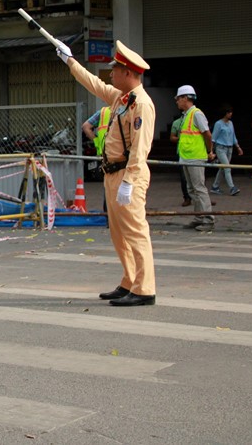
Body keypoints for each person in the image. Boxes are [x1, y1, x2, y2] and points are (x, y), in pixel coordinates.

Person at [55, 39, 156, 307]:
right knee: (118, 232)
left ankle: (145, 289)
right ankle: (129, 281)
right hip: (112, 174)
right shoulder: (122, 99)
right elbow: (94, 84)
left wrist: (129, 182)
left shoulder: (141, 104)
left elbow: (140, 148)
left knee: (135, 231)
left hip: (128, 175)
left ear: (128, 73)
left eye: (115, 70)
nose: (110, 74)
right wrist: (70, 60)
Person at [175, 85, 216, 231]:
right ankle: (199, 217)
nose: (177, 101)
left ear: (185, 98)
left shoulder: (196, 114)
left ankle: (208, 219)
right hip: (187, 157)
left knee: (199, 189)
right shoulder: (186, 115)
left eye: (178, 98)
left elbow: (207, 134)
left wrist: (210, 151)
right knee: (192, 190)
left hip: (195, 157)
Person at [210, 104, 243, 196]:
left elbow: (233, 136)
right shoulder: (218, 124)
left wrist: (238, 147)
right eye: (229, 112)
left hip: (230, 148)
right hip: (221, 148)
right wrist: (211, 151)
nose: (231, 114)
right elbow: (213, 138)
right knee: (227, 167)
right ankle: (232, 187)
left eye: (231, 112)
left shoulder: (231, 123)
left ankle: (215, 186)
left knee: (223, 168)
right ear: (225, 113)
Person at [170, 114, 192, 207]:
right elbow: (172, 137)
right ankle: (187, 198)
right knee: (184, 178)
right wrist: (180, 138)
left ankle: (201, 198)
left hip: (194, 152)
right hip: (182, 152)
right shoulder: (177, 123)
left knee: (198, 178)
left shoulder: (194, 120)